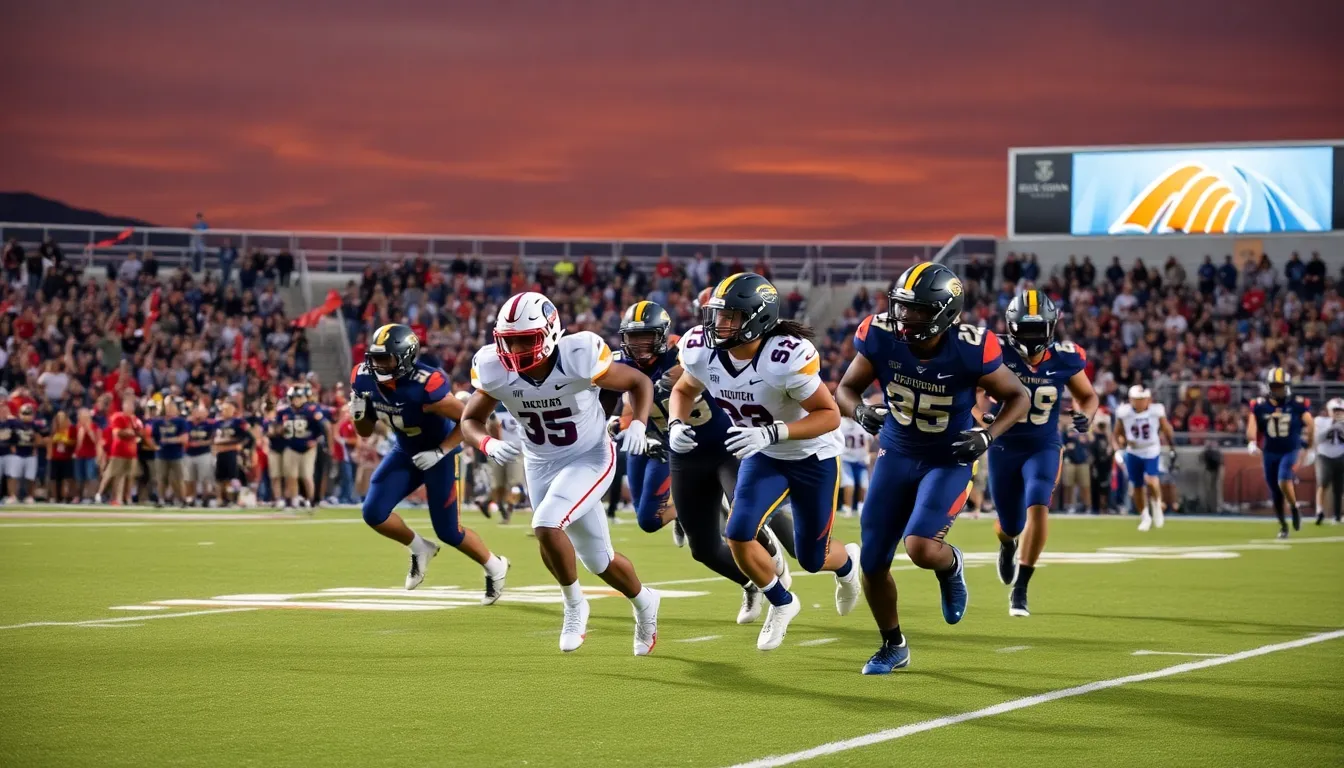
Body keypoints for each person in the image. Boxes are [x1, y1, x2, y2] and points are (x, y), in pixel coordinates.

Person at [836, 262, 1030, 674]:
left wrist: (989, 435)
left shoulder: (971, 347)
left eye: (918, 310)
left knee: (921, 548)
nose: (906, 318)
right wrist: (858, 411)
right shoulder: (881, 335)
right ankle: (893, 645)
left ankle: (950, 564)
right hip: (896, 452)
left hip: (949, 457)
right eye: (903, 307)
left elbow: (1018, 397)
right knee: (872, 561)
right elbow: (846, 388)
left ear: (944, 312)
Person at [461, 292, 661, 655]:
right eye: (509, 341)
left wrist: (639, 424)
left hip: (589, 456)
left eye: (526, 339)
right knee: (599, 559)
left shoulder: (578, 355)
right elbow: (471, 419)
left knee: (546, 523)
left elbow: (639, 383)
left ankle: (574, 605)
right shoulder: (493, 367)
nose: (516, 350)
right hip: (540, 463)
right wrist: (486, 444)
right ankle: (646, 602)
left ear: (550, 333)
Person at [673, 272, 861, 652]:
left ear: (757, 318)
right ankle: (781, 600)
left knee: (812, 557)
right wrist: (677, 422)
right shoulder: (703, 351)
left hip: (811, 455)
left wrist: (776, 431)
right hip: (763, 455)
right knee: (738, 532)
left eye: (730, 317)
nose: (718, 325)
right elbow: (683, 389)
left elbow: (828, 413)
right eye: (716, 315)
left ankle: (847, 564)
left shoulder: (783, 356)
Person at [350, 324, 510, 597]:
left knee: (448, 531)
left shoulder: (426, 385)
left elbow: (468, 421)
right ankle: (419, 547)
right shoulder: (364, 378)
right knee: (373, 512)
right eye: (374, 358)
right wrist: (358, 412)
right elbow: (364, 431)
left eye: (385, 358)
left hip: (439, 454)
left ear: (405, 357)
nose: (377, 365)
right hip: (405, 451)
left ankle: (495, 566)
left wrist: (441, 451)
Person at [982, 290, 1098, 617]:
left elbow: (1088, 397)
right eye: (1026, 329)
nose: (1032, 339)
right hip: (1004, 445)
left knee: (1039, 505)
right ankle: (1007, 544)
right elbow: (976, 393)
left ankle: (1021, 588)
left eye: (1038, 330)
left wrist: (1085, 416)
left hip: (1043, 445)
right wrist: (983, 420)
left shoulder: (1064, 358)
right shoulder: (998, 352)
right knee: (1010, 524)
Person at [613, 301, 686, 544]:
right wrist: (619, 424)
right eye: (633, 337)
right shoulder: (622, 363)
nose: (639, 345)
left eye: (646, 336)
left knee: (649, 520)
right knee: (641, 511)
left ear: (662, 335)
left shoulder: (681, 354)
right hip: (644, 438)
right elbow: (628, 406)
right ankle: (684, 511)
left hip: (671, 441)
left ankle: (690, 509)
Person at [1247, 368, 1314, 538]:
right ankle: (1283, 525)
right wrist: (1252, 441)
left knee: (1284, 479)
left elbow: (1310, 424)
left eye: (1280, 386)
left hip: (1290, 450)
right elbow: (1252, 424)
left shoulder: (1297, 404)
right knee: (1275, 493)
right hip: (1270, 452)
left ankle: (1294, 507)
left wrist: (1308, 446)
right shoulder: (1260, 405)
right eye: (1274, 386)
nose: (1277, 389)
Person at [1113, 385, 1177, 531]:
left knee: (1151, 479)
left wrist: (1172, 447)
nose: (1141, 402)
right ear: (1131, 400)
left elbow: (1167, 429)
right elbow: (1116, 434)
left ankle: (1157, 505)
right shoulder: (1124, 412)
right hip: (1133, 451)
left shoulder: (1156, 411)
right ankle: (1145, 516)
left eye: (1143, 399)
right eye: (1137, 399)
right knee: (1137, 486)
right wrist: (1118, 449)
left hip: (1151, 449)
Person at [278, 383, 327, 509]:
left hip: (307, 448)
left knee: (306, 476)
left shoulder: (311, 411)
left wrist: (315, 440)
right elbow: (277, 428)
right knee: (291, 476)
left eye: (298, 398)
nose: (296, 400)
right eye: (294, 398)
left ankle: (311, 501)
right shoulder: (284, 412)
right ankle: (293, 501)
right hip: (291, 446)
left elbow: (321, 428)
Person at [96, 396, 143, 506]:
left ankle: (125, 498)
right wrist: (128, 432)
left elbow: (140, 432)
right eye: (128, 405)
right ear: (123, 406)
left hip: (132, 452)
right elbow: (116, 433)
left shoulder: (134, 419)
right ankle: (99, 494)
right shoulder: (118, 417)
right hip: (119, 451)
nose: (130, 408)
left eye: (132, 406)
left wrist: (132, 433)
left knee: (129, 476)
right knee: (111, 473)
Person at [483, 403, 525, 522]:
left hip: (516, 450)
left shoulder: (521, 403)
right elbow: (490, 429)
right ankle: (499, 508)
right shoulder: (497, 408)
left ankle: (507, 511)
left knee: (514, 483)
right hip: (499, 450)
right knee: (498, 485)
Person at [7, 404, 49, 503]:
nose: (27, 415)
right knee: (13, 476)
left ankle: (30, 496)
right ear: (19, 413)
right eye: (24, 413)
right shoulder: (13, 423)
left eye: (29, 413)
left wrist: (37, 442)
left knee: (30, 477)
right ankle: (12, 496)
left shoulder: (35, 425)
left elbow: (46, 437)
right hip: (16, 453)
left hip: (31, 453)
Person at [1313, 398, 1344, 525]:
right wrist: (1331, 427)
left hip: (1341, 455)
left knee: (1340, 488)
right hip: (1324, 455)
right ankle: (1320, 511)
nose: (1338, 413)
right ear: (1329, 411)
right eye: (1335, 410)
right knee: (1323, 483)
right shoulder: (1320, 421)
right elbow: (1317, 439)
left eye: (1340, 410)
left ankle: (1338, 515)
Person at [212, 401, 249, 507]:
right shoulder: (217, 423)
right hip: (220, 453)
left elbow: (246, 438)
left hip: (232, 453)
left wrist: (239, 446)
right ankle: (220, 499)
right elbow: (214, 439)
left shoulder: (238, 422)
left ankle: (232, 499)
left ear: (233, 410)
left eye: (228, 409)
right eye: (223, 409)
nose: (225, 411)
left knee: (232, 478)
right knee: (219, 478)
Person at [154, 399, 190, 506]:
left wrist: (169, 440)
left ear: (176, 409)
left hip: (176, 454)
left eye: (172, 407)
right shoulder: (158, 422)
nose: (169, 410)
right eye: (168, 407)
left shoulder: (180, 421)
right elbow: (152, 437)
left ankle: (182, 499)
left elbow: (184, 438)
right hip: (161, 454)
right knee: (161, 478)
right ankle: (161, 499)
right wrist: (154, 446)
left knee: (179, 478)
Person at [838, 410, 873, 518]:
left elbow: (867, 439)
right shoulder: (842, 423)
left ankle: (861, 507)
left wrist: (867, 453)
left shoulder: (863, 421)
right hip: (846, 458)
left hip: (860, 458)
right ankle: (847, 508)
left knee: (864, 485)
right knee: (849, 484)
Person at [184, 405, 216, 506]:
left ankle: (205, 498)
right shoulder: (187, 424)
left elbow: (212, 439)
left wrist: (200, 443)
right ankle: (191, 498)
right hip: (189, 453)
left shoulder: (208, 424)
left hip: (204, 453)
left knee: (204, 478)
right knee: (190, 478)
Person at [73, 408, 103, 503]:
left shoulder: (95, 427)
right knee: (79, 477)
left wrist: (89, 430)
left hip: (91, 455)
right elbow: (77, 442)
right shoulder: (77, 427)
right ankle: (78, 496)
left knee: (90, 476)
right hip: (79, 455)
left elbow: (96, 441)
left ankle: (89, 496)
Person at [47, 411, 76, 503]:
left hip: (66, 457)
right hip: (55, 457)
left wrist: (66, 441)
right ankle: (54, 497)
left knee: (66, 478)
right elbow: (50, 441)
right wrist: (50, 452)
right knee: (54, 478)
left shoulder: (71, 429)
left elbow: (75, 442)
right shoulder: (54, 429)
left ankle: (65, 497)